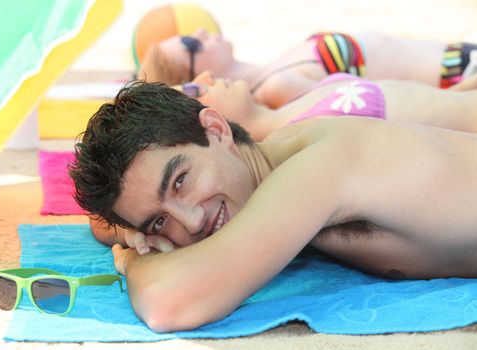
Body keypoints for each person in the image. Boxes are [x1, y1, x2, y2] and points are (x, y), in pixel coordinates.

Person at [69, 81, 477, 333]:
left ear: (216, 130)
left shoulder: (321, 166)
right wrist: (136, 231)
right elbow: (102, 225)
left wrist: (133, 263)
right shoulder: (273, 158)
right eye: (161, 220)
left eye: (180, 181)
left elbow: (169, 302)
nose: (192, 222)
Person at [138, 29, 477, 108]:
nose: (199, 33)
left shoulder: (273, 69)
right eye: (191, 46)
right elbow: (380, 105)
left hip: (461, 63)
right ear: (192, 80)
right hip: (461, 80)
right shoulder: (277, 88)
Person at [178, 70, 477, 140]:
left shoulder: (287, 105)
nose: (205, 76)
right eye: (195, 89)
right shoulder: (299, 138)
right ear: (211, 128)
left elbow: (427, 98)